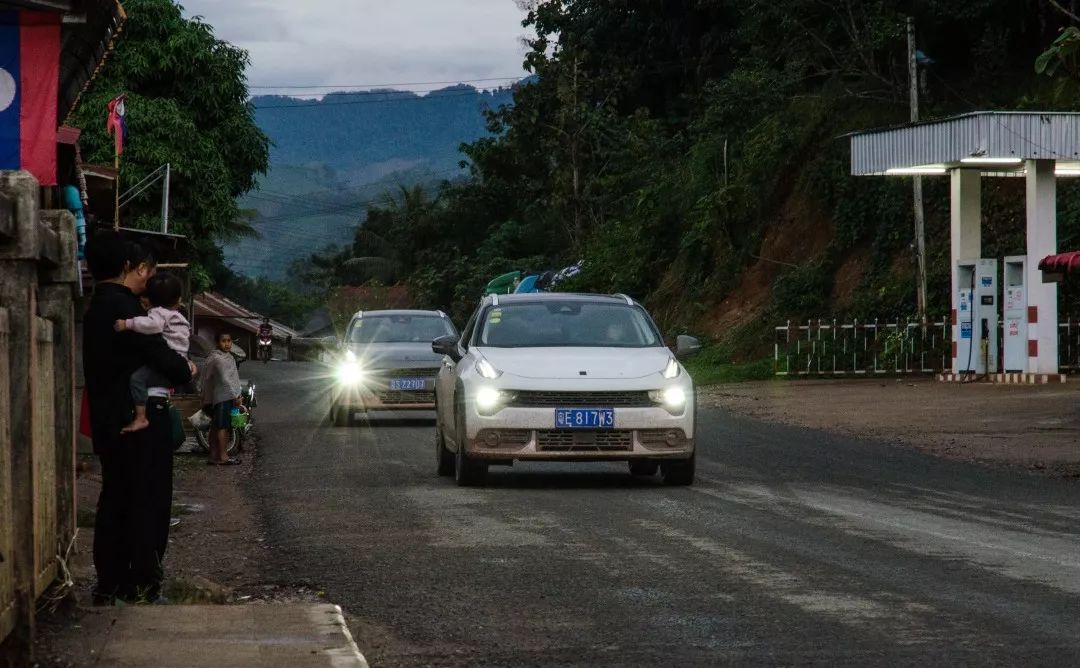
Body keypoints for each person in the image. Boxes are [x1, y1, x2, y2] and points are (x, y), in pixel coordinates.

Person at [83, 231, 194, 605]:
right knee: (148, 502)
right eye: (145, 269)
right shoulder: (127, 310)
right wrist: (185, 368)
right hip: (141, 421)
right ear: (130, 267)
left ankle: (109, 583)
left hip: (108, 419)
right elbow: (169, 363)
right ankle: (141, 583)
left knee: (115, 498)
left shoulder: (97, 306)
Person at [114, 272, 190, 433]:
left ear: (150, 299)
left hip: (164, 370)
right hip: (178, 363)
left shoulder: (159, 314)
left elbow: (151, 325)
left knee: (136, 379)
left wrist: (127, 324)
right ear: (178, 299)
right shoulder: (178, 316)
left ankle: (141, 417)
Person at [202, 331, 243, 465]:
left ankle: (216, 456)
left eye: (229, 341)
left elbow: (234, 379)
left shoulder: (229, 357)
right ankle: (223, 456)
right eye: (223, 341)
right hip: (221, 398)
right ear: (217, 343)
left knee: (223, 426)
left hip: (229, 397)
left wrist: (238, 394)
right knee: (221, 427)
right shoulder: (217, 359)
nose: (227, 344)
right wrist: (235, 396)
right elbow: (225, 380)